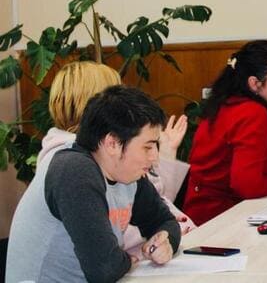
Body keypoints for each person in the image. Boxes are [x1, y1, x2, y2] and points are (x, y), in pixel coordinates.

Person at [6, 86, 181, 282]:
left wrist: (165, 240)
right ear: (112, 143)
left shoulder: (127, 173)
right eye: (147, 147)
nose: (155, 157)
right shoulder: (73, 171)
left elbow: (165, 222)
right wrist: (128, 260)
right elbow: (105, 269)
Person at [37, 61, 195, 252]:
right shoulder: (75, 166)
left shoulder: (103, 155)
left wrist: (165, 232)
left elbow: (151, 207)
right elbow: (110, 241)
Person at [182, 40, 267, 225]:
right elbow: (247, 185)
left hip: (203, 216)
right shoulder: (252, 113)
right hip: (221, 221)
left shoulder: (224, 105)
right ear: (254, 83)